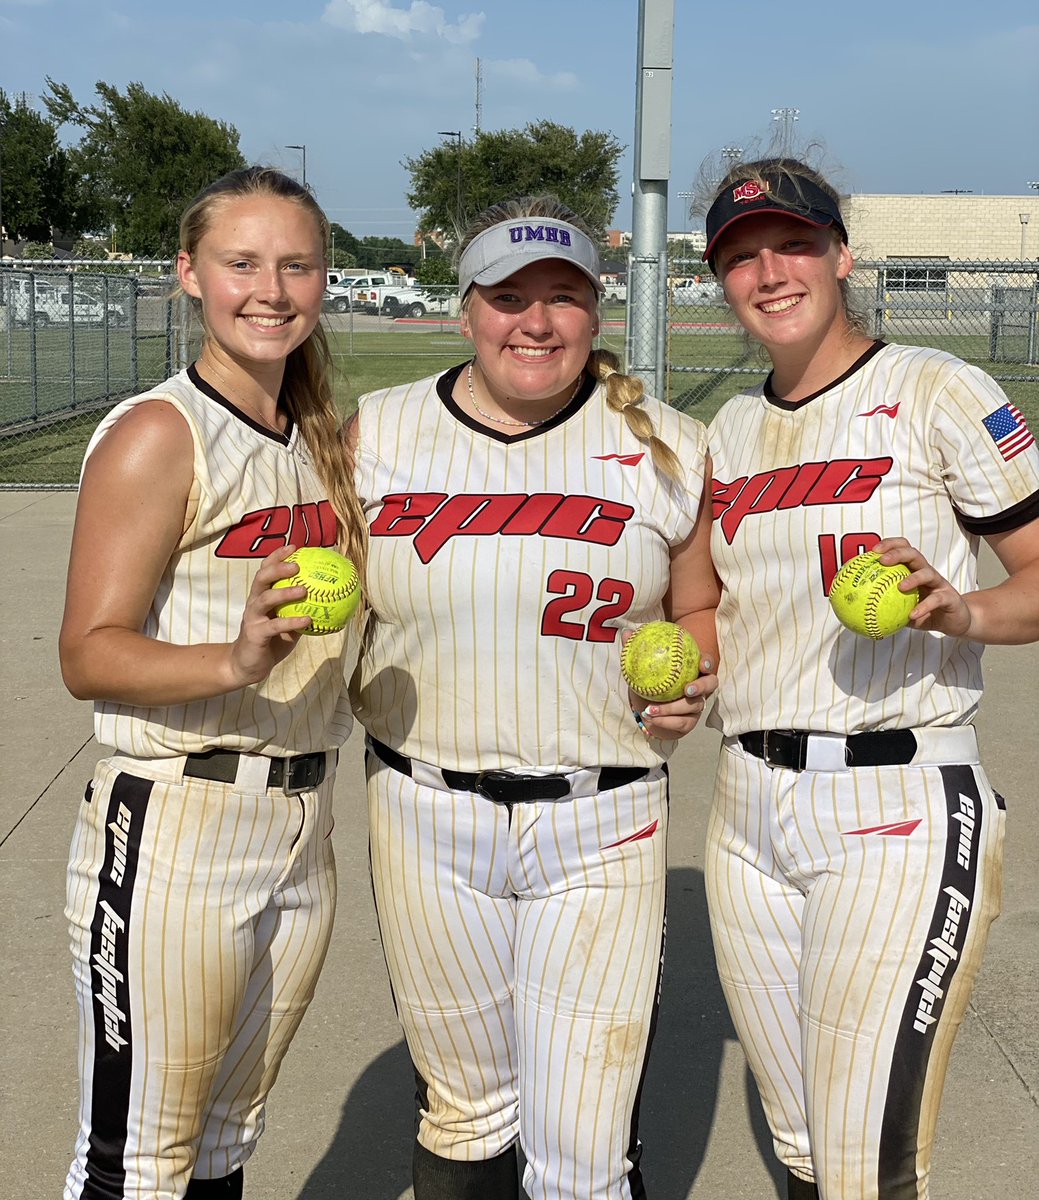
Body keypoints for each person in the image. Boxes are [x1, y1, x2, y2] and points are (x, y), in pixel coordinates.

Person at [348, 196, 721, 1199]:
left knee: (583, 1142)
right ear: (464, 309)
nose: (536, 322)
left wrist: (689, 678)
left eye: (563, 297)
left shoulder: (667, 446)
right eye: (508, 297)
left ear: (596, 315)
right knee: (464, 1113)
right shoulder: (375, 434)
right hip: (424, 813)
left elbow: (699, 611)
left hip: (603, 820)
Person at [699, 156, 1039, 1200]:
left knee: (865, 1163)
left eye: (793, 245)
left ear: (841, 256)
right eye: (741, 258)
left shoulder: (936, 389)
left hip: (893, 797)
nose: (769, 274)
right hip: (744, 811)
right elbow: (716, 611)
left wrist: (964, 610)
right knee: (803, 1144)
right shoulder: (730, 431)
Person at [58, 166, 367, 1200]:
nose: (270, 289)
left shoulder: (321, 438)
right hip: (177, 821)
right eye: (241, 263)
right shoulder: (161, 432)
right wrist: (232, 661)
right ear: (190, 273)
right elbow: (88, 652)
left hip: (299, 826)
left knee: (227, 1142)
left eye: (296, 264)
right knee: (138, 1162)